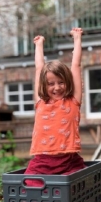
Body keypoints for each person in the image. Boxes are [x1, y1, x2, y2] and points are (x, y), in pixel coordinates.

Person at [24, 28, 86, 187]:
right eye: (51, 84)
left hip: (69, 161)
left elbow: (76, 65)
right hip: (42, 162)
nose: (56, 87)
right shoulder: (40, 102)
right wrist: (39, 45)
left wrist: (77, 38)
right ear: (44, 85)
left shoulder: (73, 101)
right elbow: (39, 68)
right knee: (29, 186)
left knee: (73, 187)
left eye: (61, 82)